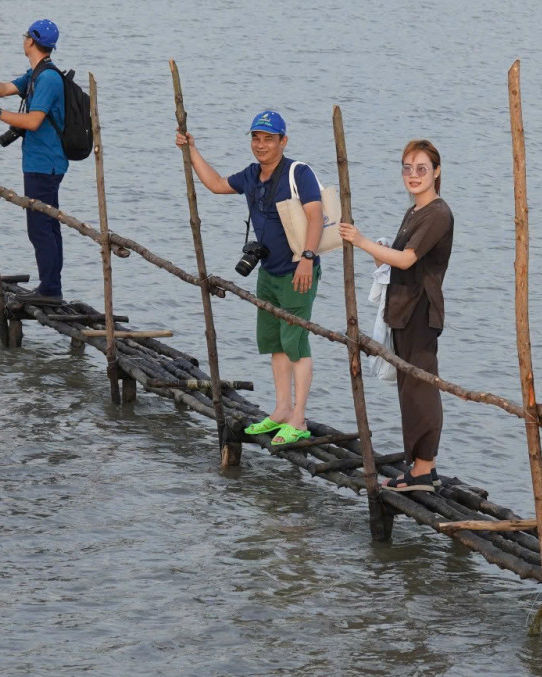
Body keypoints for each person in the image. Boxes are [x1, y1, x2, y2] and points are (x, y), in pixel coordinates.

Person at [176, 110, 324, 447]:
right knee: (274, 342)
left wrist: (307, 258)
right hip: (269, 272)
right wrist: (191, 150)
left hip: (297, 271)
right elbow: (215, 184)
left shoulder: (297, 173)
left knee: (297, 343)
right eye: (256, 138)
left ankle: (299, 417)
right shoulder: (251, 174)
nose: (261, 145)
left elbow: (316, 216)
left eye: (269, 138)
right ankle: (282, 409)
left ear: (283, 141)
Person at [340, 139, 453, 492]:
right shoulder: (415, 211)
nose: (414, 175)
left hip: (421, 310)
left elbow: (406, 260)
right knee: (408, 388)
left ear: (436, 171)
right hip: (402, 307)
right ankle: (417, 465)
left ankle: (425, 468)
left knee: (421, 386)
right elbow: (394, 259)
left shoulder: (438, 212)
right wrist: (376, 249)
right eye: (407, 168)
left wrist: (360, 241)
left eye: (421, 168)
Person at [0, 20, 66, 299]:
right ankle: (51, 285)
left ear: (30, 41)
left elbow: (33, 121)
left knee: (40, 228)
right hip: (40, 161)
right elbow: (1, 88)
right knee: (47, 224)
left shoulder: (48, 78)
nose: (23, 40)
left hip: (45, 163)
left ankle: (50, 289)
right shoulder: (36, 73)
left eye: (25, 36)